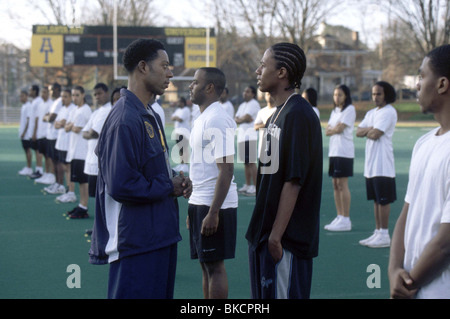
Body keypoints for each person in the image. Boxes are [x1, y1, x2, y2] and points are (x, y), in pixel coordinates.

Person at [89, 39, 192, 299]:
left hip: (160, 236)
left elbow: (152, 170)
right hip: (135, 243)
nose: (170, 72)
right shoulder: (124, 119)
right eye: (165, 65)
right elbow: (121, 184)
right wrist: (168, 187)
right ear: (143, 67)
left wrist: (175, 180)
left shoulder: (151, 114)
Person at [246, 42, 322, 299]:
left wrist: (276, 237)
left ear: (282, 73)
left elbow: (294, 181)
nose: (258, 70)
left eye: (264, 65)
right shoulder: (276, 115)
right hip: (264, 235)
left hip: (285, 242)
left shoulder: (299, 115)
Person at [388, 44, 450, 299]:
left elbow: (446, 243)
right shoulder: (424, 143)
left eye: (422, 76)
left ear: (443, 84)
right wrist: (394, 270)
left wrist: (409, 284)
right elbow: (406, 212)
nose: (417, 84)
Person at [188, 67, 238, 299]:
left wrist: (213, 211)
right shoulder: (202, 117)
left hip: (215, 205)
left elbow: (226, 169)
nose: (190, 86)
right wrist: (193, 205)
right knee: (205, 265)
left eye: (195, 82)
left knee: (215, 268)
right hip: (201, 201)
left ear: (209, 88)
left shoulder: (217, 118)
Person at [356, 81, 398, 248]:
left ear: (386, 94)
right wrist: (369, 129)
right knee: (375, 200)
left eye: (378, 94)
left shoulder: (389, 112)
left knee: (383, 201)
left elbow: (375, 134)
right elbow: (359, 131)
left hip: (383, 165)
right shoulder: (372, 112)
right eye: (373, 94)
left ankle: (385, 234)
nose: (375, 97)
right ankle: (378, 232)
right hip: (371, 165)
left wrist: (369, 129)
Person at [324, 84, 356, 232]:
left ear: (346, 96)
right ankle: (339, 216)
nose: (337, 97)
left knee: (342, 184)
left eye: (340, 95)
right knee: (335, 184)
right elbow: (328, 130)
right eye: (335, 95)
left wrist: (334, 129)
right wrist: (333, 129)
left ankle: (346, 218)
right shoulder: (334, 111)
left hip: (344, 152)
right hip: (334, 152)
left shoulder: (350, 110)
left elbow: (339, 128)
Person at [62, 86, 92, 218]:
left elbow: (75, 128)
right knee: (79, 180)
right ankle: (81, 205)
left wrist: (71, 125)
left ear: (83, 95)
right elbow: (67, 127)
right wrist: (71, 125)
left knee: (83, 181)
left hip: (82, 151)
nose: (74, 98)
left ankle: (84, 207)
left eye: (77, 95)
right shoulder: (75, 110)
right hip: (74, 150)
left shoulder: (85, 110)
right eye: (73, 95)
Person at [81, 83, 111, 204]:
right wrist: (89, 133)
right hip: (91, 158)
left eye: (100, 93)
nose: (97, 97)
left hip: (100, 160)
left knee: (103, 195)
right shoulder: (97, 112)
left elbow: (93, 133)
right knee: (96, 194)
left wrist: (89, 133)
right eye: (95, 94)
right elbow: (84, 132)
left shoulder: (108, 110)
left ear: (106, 93)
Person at [44, 89, 76, 196]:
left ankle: (67, 188)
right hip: (60, 141)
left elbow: (68, 124)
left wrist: (62, 124)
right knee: (58, 164)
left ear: (70, 97)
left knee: (67, 167)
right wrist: (61, 124)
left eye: (66, 96)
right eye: (62, 96)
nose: (63, 99)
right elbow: (56, 125)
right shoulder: (62, 109)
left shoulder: (73, 109)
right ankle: (59, 184)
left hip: (68, 143)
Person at [235, 86, 261, 196]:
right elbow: (236, 118)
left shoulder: (254, 104)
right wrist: (242, 119)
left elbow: (247, 117)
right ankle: (247, 184)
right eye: (245, 91)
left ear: (253, 94)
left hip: (250, 137)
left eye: (248, 91)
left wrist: (242, 119)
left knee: (251, 162)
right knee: (245, 163)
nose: (245, 93)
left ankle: (255, 186)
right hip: (242, 136)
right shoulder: (242, 105)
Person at [38, 83, 63, 186]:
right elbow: (46, 117)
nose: (49, 92)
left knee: (57, 162)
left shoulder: (60, 102)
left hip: (55, 135)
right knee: (53, 160)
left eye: (51, 90)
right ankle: (56, 183)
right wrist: (47, 117)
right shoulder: (54, 102)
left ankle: (59, 184)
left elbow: (50, 118)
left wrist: (48, 117)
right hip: (50, 134)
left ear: (56, 89)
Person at [33, 86, 55, 184]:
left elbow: (49, 117)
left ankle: (50, 174)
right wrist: (35, 132)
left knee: (49, 156)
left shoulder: (51, 104)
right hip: (40, 133)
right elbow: (38, 119)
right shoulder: (40, 104)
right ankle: (46, 173)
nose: (43, 94)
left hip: (47, 134)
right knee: (45, 155)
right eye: (42, 92)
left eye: (45, 92)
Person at [171, 96, 191, 173]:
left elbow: (180, 119)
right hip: (178, 132)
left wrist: (176, 117)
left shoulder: (186, 110)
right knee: (180, 148)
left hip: (184, 132)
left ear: (183, 103)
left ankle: (185, 165)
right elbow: (173, 118)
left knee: (184, 148)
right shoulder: (178, 110)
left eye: (179, 102)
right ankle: (182, 164)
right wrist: (176, 117)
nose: (178, 103)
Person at [28, 85, 44, 179]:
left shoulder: (38, 102)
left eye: (30, 90)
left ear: (35, 91)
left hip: (37, 132)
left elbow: (38, 118)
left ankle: (40, 170)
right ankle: (38, 169)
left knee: (39, 151)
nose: (29, 92)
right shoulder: (34, 101)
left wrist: (35, 132)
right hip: (33, 131)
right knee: (36, 151)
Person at [254, 92, 276, 157]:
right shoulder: (262, 111)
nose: (269, 96)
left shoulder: (278, 110)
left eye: (271, 94)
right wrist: (267, 124)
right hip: (262, 148)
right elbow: (255, 127)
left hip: (275, 148)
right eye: (267, 94)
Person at [18, 90, 33, 176]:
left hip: (26, 134)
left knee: (28, 150)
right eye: (20, 96)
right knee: (25, 150)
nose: (21, 98)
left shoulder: (28, 106)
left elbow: (28, 120)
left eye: (22, 96)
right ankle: (28, 167)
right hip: (23, 133)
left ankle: (29, 167)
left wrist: (24, 132)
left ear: (27, 96)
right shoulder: (24, 106)